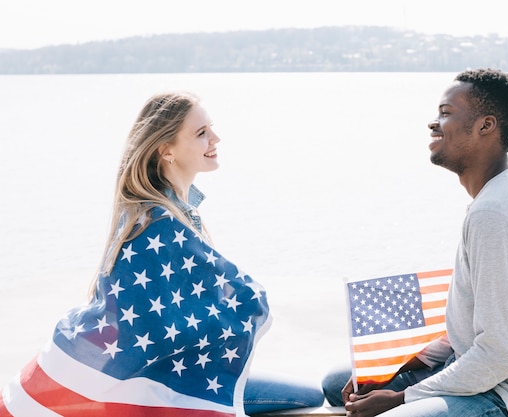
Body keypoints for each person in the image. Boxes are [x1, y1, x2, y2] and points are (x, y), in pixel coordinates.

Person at [0, 91, 323, 416]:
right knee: (312, 396)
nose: (216, 138)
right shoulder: (162, 224)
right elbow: (245, 298)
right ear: (166, 150)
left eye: (211, 128)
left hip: (167, 368)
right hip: (162, 380)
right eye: (201, 133)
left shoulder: (154, 211)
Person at [322, 69, 508, 417]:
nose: (433, 123)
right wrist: (406, 363)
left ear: (486, 126)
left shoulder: (496, 214)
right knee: (342, 383)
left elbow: (500, 355)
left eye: (446, 113)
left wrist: (402, 398)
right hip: (476, 369)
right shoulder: (493, 199)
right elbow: (468, 332)